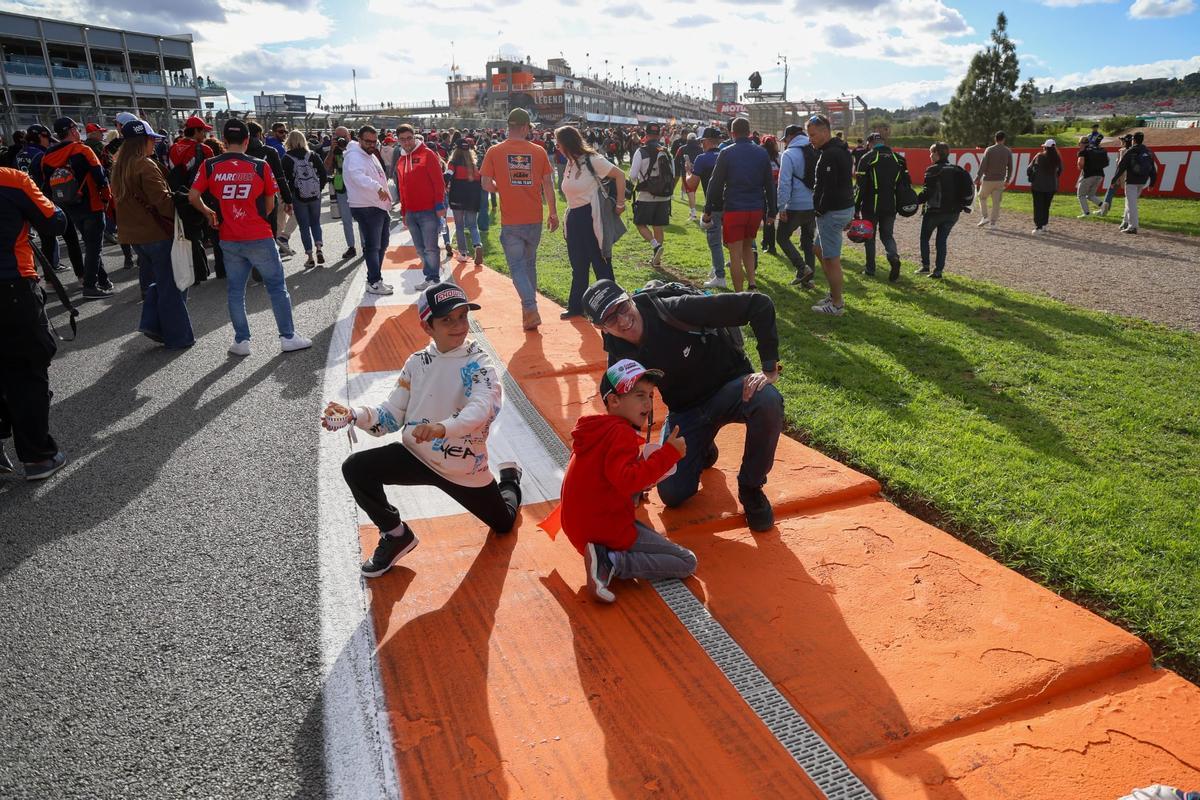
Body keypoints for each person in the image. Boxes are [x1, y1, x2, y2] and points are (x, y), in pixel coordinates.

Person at [322, 281, 524, 577]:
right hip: (417, 455)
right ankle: (396, 534)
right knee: (356, 467)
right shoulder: (417, 362)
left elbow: (482, 409)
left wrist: (442, 428)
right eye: (447, 320)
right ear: (427, 327)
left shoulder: (480, 364)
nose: (458, 326)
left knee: (504, 524)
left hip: (463, 467)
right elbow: (389, 417)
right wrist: (355, 415)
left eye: (462, 317)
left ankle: (509, 480)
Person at [582, 278, 784, 532]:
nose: (622, 320)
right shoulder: (618, 355)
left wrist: (769, 369)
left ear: (629, 297)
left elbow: (759, 304)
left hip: (731, 389)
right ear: (600, 326)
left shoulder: (674, 310)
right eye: (610, 319)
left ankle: (751, 488)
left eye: (622, 307)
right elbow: (622, 413)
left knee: (767, 399)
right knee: (673, 493)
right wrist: (630, 474)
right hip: (687, 410)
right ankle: (702, 448)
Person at [553, 359, 696, 603]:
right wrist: (669, 453)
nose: (648, 403)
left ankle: (604, 557)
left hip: (580, 526)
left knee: (650, 535)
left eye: (650, 395)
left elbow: (607, 480)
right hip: (602, 528)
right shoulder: (622, 433)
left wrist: (637, 489)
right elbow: (627, 480)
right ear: (614, 400)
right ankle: (611, 561)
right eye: (639, 395)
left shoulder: (598, 429)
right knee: (686, 562)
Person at [188, 118, 312, 357]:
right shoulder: (259, 165)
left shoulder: (210, 165)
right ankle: (287, 337)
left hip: (229, 237)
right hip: (258, 234)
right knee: (277, 287)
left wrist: (209, 212)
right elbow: (270, 202)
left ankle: (242, 341)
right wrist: (252, 218)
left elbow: (193, 195)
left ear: (224, 141)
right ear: (247, 141)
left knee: (236, 291)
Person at [0, 166, 69, 480]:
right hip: (11, 286)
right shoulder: (12, 179)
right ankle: (38, 457)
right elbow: (54, 222)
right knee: (26, 371)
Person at [111, 118, 195, 350]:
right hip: (156, 233)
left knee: (160, 283)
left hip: (134, 237)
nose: (155, 144)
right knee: (173, 286)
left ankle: (153, 325)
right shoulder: (145, 164)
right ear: (144, 141)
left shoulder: (118, 166)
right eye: (152, 140)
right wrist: (184, 208)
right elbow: (163, 202)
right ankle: (178, 337)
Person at [480, 107, 558, 331]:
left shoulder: (494, 151)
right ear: (525, 127)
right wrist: (553, 212)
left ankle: (530, 307)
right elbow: (548, 185)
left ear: (508, 126)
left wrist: (502, 189)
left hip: (511, 220)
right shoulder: (539, 151)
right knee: (529, 264)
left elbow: (485, 184)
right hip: (534, 218)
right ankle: (529, 312)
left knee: (517, 266)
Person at [555, 125, 626, 320]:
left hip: (592, 217)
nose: (557, 147)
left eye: (559, 143)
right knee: (578, 265)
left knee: (601, 264)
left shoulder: (593, 160)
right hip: (574, 218)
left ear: (567, 143)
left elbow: (620, 175)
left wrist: (621, 203)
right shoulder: (570, 162)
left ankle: (612, 306)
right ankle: (576, 306)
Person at [38, 117, 113, 299]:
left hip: (70, 206)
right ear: (72, 131)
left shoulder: (47, 157)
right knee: (94, 246)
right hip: (92, 204)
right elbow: (100, 176)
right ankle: (90, 286)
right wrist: (106, 198)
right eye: (76, 129)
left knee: (91, 243)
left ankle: (103, 281)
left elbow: (46, 186)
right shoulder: (82, 150)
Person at [703, 117, 776, 292]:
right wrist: (772, 211)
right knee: (748, 247)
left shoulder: (727, 152)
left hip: (735, 208)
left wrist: (708, 208)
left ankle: (739, 295)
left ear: (731, 133)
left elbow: (715, 183)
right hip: (755, 208)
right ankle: (752, 285)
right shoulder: (761, 153)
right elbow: (769, 184)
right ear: (749, 132)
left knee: (735, 254)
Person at [806, 114, 854, 316]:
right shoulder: (838, 150)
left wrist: (819, 209)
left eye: (813, 134)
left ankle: (836, 304)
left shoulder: (830, 154)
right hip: (840, 209)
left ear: (826, 132)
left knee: (831, 259)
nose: (811, 139)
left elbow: (830, 189)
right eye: (809, 135)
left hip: (832, 212)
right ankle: (834, 294)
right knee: (818, 248)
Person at [394, 123, 446, 291]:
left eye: (409, 138)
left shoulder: (427, 154)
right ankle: (430, 276)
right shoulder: (401, 160)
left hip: (428, 211)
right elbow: (401, 188)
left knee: (430, 247)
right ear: (398, 140)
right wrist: (403, 212)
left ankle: (433, 279)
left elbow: (438, 182)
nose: (407, 142)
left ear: (414, 136)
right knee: (419, 249)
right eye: (403, 139)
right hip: (410, 212)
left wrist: (439, 205)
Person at [344, 125, 395, 294]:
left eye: (375, 141)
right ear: (359, 139)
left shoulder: (367, 154)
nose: (372, 144)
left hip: (377, 205)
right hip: (366, 206)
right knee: (373, 246)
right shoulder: (354, 156)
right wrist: (377, 188)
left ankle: (375, 279)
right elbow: (357, 176)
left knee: (382, 244)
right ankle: (374, 281)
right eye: (368, 141)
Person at [167, 114, 216, 283]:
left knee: (188, 234)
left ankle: (194, 272)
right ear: (196, 131)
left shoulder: (173, 148)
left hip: (179, 197)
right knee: (211, 232)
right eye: (203, 131)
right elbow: (212, 177)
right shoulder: (204, 149)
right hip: (201, 197)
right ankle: (205, 272)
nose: (205, 135)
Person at [854, 131, 907, 282]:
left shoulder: (867, 158)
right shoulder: (899, 159)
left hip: (871, 206)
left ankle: (870, 269)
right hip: (891, 205)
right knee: (887, 235)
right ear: (883, 142)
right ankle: (893, 256)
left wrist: (856, 208)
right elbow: (905, 186)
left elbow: (860, 187)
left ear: (870, 144)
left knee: (869, 237)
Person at [776, 123, 817, 288]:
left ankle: (802, 268)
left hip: (795, 204)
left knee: (782, 238)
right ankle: (808, 279)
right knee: (808, 242)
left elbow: (784, 182)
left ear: (790, 137)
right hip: (813, 204)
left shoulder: (789, 154)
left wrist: (781, 206)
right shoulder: (815, 150)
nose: (784, 142)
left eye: (785, 139)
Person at [246, 121, 294, 258]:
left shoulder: (239, 154)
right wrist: (288, 198)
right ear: (259, 134)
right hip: (269, 195)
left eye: (285, 132)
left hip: (246, 196)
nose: (284, 134)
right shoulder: (270, 150)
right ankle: (270, 256)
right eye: (281, 131)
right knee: (270, 227)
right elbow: (280, 177)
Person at [281, 129, 328, 268]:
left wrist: (287, 198)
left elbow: (284, 180)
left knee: (304, 227)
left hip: (298, 196)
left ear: (289, 141)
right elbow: (323, 174)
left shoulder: (286, 158)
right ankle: (319, 248)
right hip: (315, 195)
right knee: (315, 223)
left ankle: (310, 256)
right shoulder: (312, 155)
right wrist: (318, 189)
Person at [916, 142, 964, 277]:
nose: (930, 155)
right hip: (953, 213)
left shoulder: (932, 170)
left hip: (935, 212)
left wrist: (914, 201)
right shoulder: (957, 169)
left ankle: (925, 266)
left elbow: (927, 192)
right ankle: (938, 271)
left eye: (931, 152)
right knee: (941, 241)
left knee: (924, 238)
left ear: (937, 153)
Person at [629, 122, 673, 267]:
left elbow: (633, 175)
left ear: (645, 136)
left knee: (640, 223)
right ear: (659, 135)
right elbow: (672, 174)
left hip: (646, 194)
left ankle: (655, 245)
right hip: (664, 195)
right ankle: (657, 260)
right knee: (658, 226)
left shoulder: (641, 152)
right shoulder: (666, 151)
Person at [690, 127, 727, 289]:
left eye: (702, 141)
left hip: (713, 204)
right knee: (730, 241)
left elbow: (691, 184)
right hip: (732, 203)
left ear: (706, 141)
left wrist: (686, 173)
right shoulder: (727, 154)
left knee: (714, 241)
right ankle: (717, 267)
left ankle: (720, 275)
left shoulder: (702, 158)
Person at [446, 138, 484, 267]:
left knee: (460, 226)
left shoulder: (453, 163)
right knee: (473, 225)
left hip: (457, 196)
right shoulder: (473, 165)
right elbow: (480, 179)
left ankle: (463, 253)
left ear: (456, 150)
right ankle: (477, 244)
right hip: (472, 197)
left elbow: (448, 175)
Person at [1111, 131, 1157, 235]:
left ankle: (1133, 226)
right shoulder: (1148, 152)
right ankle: (1125, 222)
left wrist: (1114, 180)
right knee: (1130, 203)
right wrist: (1152, 183)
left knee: (1131, 204)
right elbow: (1152, 169)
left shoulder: (1131, 151)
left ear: (1134, 140)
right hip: (1143, 181)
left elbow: (1121, 166)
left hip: (1131, 181)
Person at [323, 126, 358, 259]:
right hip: (341, 186)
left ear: (349, 135)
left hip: (356, 187)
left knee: (361, 218)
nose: (342, 139)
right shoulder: (334, 149)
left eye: (344, 136)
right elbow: (327, 167)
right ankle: (351, 246)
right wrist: (332, 149)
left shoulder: (356, 147)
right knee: (346, 219)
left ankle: (366, 245)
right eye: (338, 137)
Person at [975, 130, 1011, 227]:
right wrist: (1007, 179)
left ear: (995, 138)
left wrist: (978, 177)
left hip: (988, 180)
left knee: (982, 197)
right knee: (996, 202)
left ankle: (985, 217)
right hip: (1000, 180)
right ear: (1004, 139)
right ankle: (993, 223)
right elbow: (1010, 167)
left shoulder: (989, 150)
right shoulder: (1007, 151)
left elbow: (983, 165)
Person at [1028, 139, 1062, 235]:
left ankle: (1039, 227)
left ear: (1045, 147)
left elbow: (1029, 168)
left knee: (1038, 206)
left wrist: (1031, 176)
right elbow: (1060, 171)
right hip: (1052, 186)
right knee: (1046, 206)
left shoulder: (1039, 156)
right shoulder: (1058, 158)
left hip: (1038, 185)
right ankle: (1044, 225)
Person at [1098, 133, 1134, 217]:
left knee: (1111, 192)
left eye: (1122, 140)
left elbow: (1120, 165)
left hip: (1122, 176)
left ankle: (1104, 211)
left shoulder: (1123, 151)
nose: (1121, 142)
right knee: (1125, 195)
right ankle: (1125, 213)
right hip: (1128, 176)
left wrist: (1116, 177)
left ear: (1126, 142)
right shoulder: (1131, 150)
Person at [1075, 134, 1108, 218]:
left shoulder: (1083, 151)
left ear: (1081, 143)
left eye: (1079, 143)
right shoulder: (1096, 149)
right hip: (1100, 175)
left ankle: (1086, 214)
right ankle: (1103, 205)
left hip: (1089, 175)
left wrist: (1080, 166)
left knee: (1081, 195)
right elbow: (1107, 160)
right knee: (1091, 195)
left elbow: (1081, 163)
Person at [675, 132, 703, 221]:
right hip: (697, 173)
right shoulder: (700, 149)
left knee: (690, 193)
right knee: (692, 192)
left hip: (686, 172)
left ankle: (693, 214)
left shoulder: (682, 148)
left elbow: (676, 160)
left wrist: (680, 168)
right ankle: (692, 212)